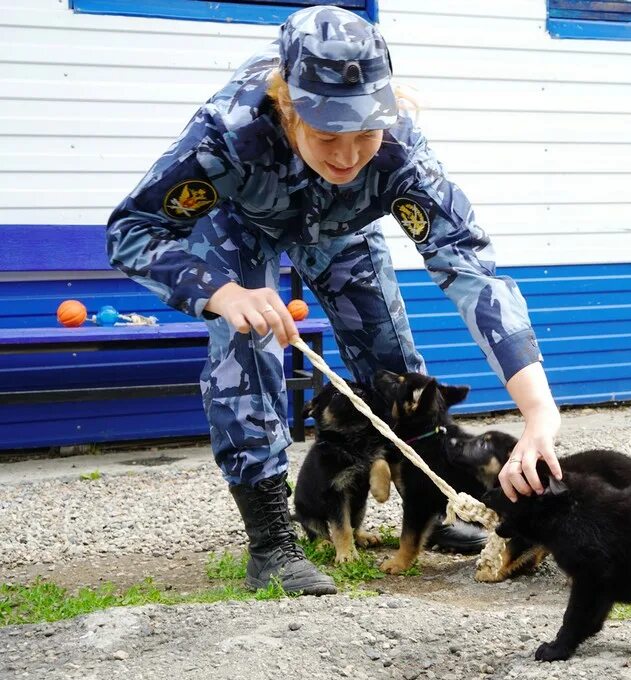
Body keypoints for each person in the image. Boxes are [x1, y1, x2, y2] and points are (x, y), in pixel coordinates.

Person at [106, 5, 562, 595]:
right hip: (241, 226)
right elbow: (132, 230)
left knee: (394, 366)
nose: (347, 156)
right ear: (288, 108)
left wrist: (538, 412)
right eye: (326, 136)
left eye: (364, 135)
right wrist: (220, 293)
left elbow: (469, 267)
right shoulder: (229, 131)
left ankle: (425, 506)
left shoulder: (401, 152)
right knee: (248, 346)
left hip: (344, 228)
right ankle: (272, 542)